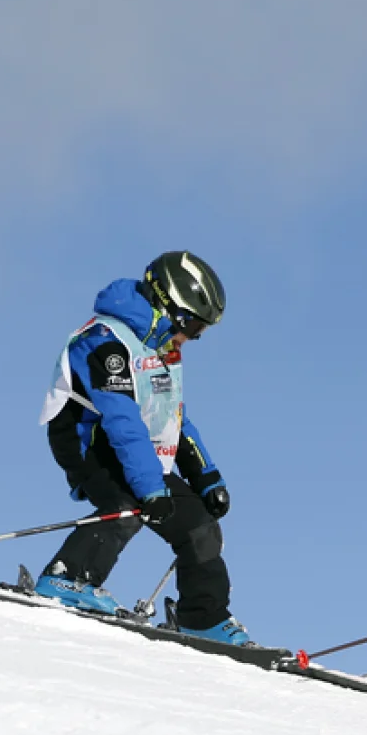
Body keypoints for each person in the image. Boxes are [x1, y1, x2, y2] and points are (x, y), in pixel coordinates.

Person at [36, 250, 253, 647]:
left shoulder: (162, 348)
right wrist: (152, 488)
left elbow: (172, 418)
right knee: (128, 503)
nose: (192, 336)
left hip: (141, 452)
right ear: (163, 303)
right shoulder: (105, 342)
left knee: (200, 525)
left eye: (201, 329)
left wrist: (207, 478)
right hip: (88, 439)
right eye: (191, 323)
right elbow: (122, 421)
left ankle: (203, 617)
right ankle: (68, 577)